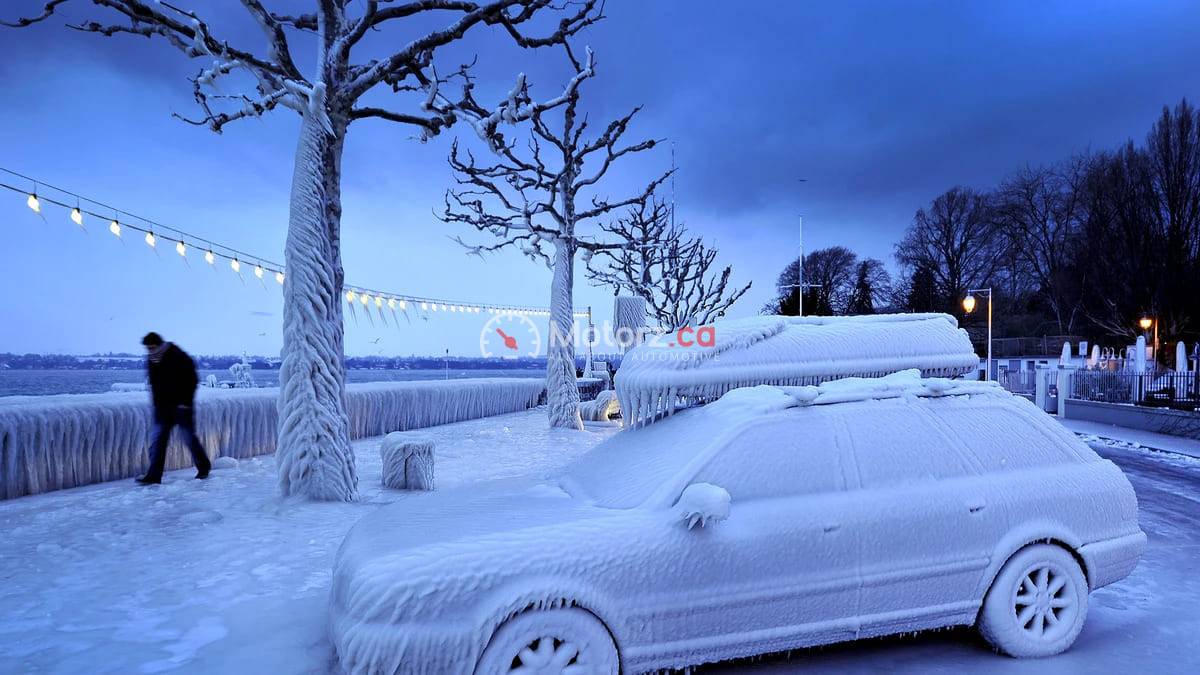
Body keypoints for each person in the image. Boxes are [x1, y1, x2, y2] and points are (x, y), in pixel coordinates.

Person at [136, 332, 211, 484]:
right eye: (148, 348)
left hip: (182, 407)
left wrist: (185, 402)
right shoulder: (152, 360)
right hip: (163, 408)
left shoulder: (178, 356)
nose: (150, 351)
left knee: (189, 439)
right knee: (158, 442)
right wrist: (157, 404)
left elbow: (192, 379)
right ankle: (154, 476)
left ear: (159, 345)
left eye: (152, 347)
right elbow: (154, 384)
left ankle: (204, 467)